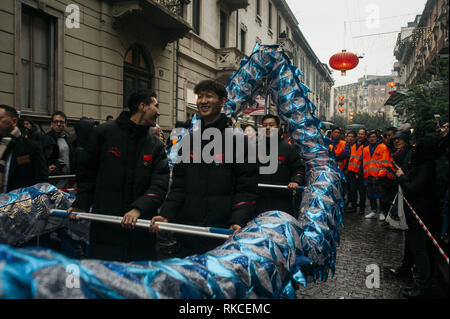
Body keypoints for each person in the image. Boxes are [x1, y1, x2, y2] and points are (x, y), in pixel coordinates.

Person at [150, 80, 258, 257]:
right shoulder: (189, 141)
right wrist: (166, 214)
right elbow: (178, 186)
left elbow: (246, 189)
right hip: (188, 230)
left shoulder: (238, 142)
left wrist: (238, 220)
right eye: (200, 96)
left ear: (222, 102)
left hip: (222, 231)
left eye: (209, 96)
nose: (203, 101)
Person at [69, 90, 170, 262]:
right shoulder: (104, 133)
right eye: (156, 106)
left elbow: (160, 183)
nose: (159, 112)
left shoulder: (155, 145)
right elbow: (87, 172)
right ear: (142, 106)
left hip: (140, 231)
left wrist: (139, 208)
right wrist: (82, 203)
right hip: (106, 227)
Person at [394, 136, 441, 298]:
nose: (414, 147)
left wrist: (401, 176)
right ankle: (418, 279)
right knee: (416, 247)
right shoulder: (422, 164)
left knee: (420, 250)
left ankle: (423, 287)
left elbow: (412, 188)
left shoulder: (426, 166)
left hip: (421, 215)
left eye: (417, 145)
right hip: (417, 214)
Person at [256, 114, 305, 217]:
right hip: (258, 198)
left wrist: (295, 181)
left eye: (271, 125)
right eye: (264, 125)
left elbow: (299, 168)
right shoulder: (254, 147)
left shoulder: (288, 149)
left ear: (278, 128)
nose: (268, 128)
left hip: (282, 198)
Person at [0, 105, 48, 192]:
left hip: (19, 202)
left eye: (0, 119)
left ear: (14, 121)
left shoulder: (31, 148)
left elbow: (42, 182)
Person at [363, 130, 395, 221]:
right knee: (370, 194)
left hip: (379, 175)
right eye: (370, 137)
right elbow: (364, 162)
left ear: (377, 138)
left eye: (374, 137)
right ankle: (373, 211)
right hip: (368, 175)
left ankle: (382, 212)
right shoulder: (365, 149)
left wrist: (380, 174)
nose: (372, 139)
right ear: (368, 138)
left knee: (381, 195)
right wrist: (365, 175)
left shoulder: (383, 147)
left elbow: (385, 162)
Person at [345, 130, 367, 214]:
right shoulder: (353, 145)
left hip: (360, 173)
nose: (360, 135)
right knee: (353, 190)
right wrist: (347, 168)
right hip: (351, 171)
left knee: (362, 192)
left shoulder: (366, 146)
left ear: (365, 135)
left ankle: (362, 209)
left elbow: (364, 161)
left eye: (362, 134)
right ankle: (353, 207)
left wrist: (359, 172)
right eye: (359, 134)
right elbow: (350, 157)